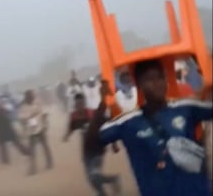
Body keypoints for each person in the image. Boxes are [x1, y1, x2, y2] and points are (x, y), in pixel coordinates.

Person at [85, 59, 212, 196]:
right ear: (139, 85)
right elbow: (92, 141)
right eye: (150, 79)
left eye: (160, 77)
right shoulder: (129, 122)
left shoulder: (186, 108)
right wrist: (103, 103)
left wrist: (206, 68)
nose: (158, 84)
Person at [63, 93, 121, 196]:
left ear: (84, 103)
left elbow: (109, 125)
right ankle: (104, 189)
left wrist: (114, 144)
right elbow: (71, 127)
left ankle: (111, 181)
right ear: (75, 105)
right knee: (90, 179)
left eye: (81, 103)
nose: (80, 106)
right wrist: (67, 135)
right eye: (78, 104)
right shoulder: (74, 116)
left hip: (98, 150)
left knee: (94, 174)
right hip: (86, 152)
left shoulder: (93, 114)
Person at [18, 90, 53, 175]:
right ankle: (33, 168)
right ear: (27, 97)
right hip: (31, 131)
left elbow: (44, 113)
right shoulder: (23, 107)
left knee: (45, 147)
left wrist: (46, 124)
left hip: (40, 128)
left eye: (33, 95)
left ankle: (50, 163)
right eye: (31, 95)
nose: (33, 97)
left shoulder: (38, 102)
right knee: (32, 150)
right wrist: (26, 120)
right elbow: (21, 119)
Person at [0, 98, 28, 164]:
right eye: (2, 103)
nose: (3, 104)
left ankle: (6, 160)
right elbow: (8, 118)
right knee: (14, 143)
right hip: (5, 131)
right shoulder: (0, 111)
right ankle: (25, 152)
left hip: (1, 131)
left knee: (5, 146)